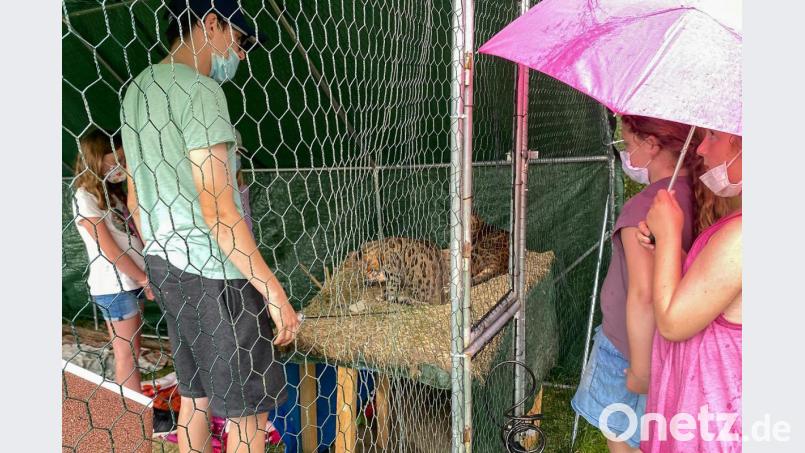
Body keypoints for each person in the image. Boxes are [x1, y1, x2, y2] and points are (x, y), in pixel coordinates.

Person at [119, 1, 300, 452]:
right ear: (212, 23)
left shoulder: (136, 91)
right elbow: (219, 210)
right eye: (238, 41)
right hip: (216, 273)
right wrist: (273, 293)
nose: (239, 55)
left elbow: (135, 197)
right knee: (246, 415)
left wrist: (159, 255)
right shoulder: (201, 92)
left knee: (194, 398)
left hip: (166, 262)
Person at [571, 115, 710, 452]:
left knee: (621, 437)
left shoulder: (647, 209)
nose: (624, 148)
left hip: (630, 352)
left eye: (629, 141)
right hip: (676, 349)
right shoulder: (701, 196)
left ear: (652, 145)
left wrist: (642, 371)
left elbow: (645, 295)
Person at [638, 129, 742, 452]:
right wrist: (670, 254)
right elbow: (711, 289)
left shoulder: (744, 235)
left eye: (713, 136)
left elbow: (672, 322)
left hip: (716, 421)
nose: (701, 149)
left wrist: (670, 233)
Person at [72, 129, 153, 393]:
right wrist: (143, 278)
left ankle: (138, 408)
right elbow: (108, 248)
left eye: (123, 159)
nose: (121, 166)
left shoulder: (114, 193)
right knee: (127, 356)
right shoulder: (84, 197)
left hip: (134, 280)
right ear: (96, 160)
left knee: (134, 352)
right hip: (115, 286)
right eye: (115, 159)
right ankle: (132, 419)